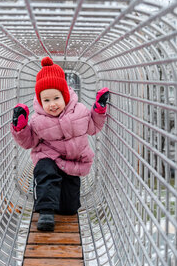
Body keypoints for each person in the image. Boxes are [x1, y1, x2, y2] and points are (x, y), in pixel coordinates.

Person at [10, 56, 109, 231]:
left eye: (56, 98)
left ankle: (59, 200)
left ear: (65, 95)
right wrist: (21, 127)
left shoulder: (80, 111)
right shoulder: (39, 120)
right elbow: (28, 142)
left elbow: (93, 127)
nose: (52, 104)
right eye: (46, 100)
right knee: (45, 170)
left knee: (69, 209)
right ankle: (45, 211)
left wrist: (99, 109)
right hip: (50, 160)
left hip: (73, 163)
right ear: (40, 101)